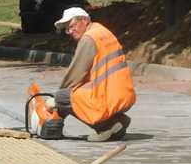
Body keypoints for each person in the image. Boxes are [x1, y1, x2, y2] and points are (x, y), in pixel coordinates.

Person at [51, 7, 136, 142]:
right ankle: (119, 121)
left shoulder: (89, 38)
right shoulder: (102, 32)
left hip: (106, 96)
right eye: (67, 29)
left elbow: (75, 73)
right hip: (122, 93)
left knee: (64, 97)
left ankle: (106, 127)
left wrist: (56, 99)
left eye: (72, 26)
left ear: (84, 20)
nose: (70, 31)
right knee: (74, 94)